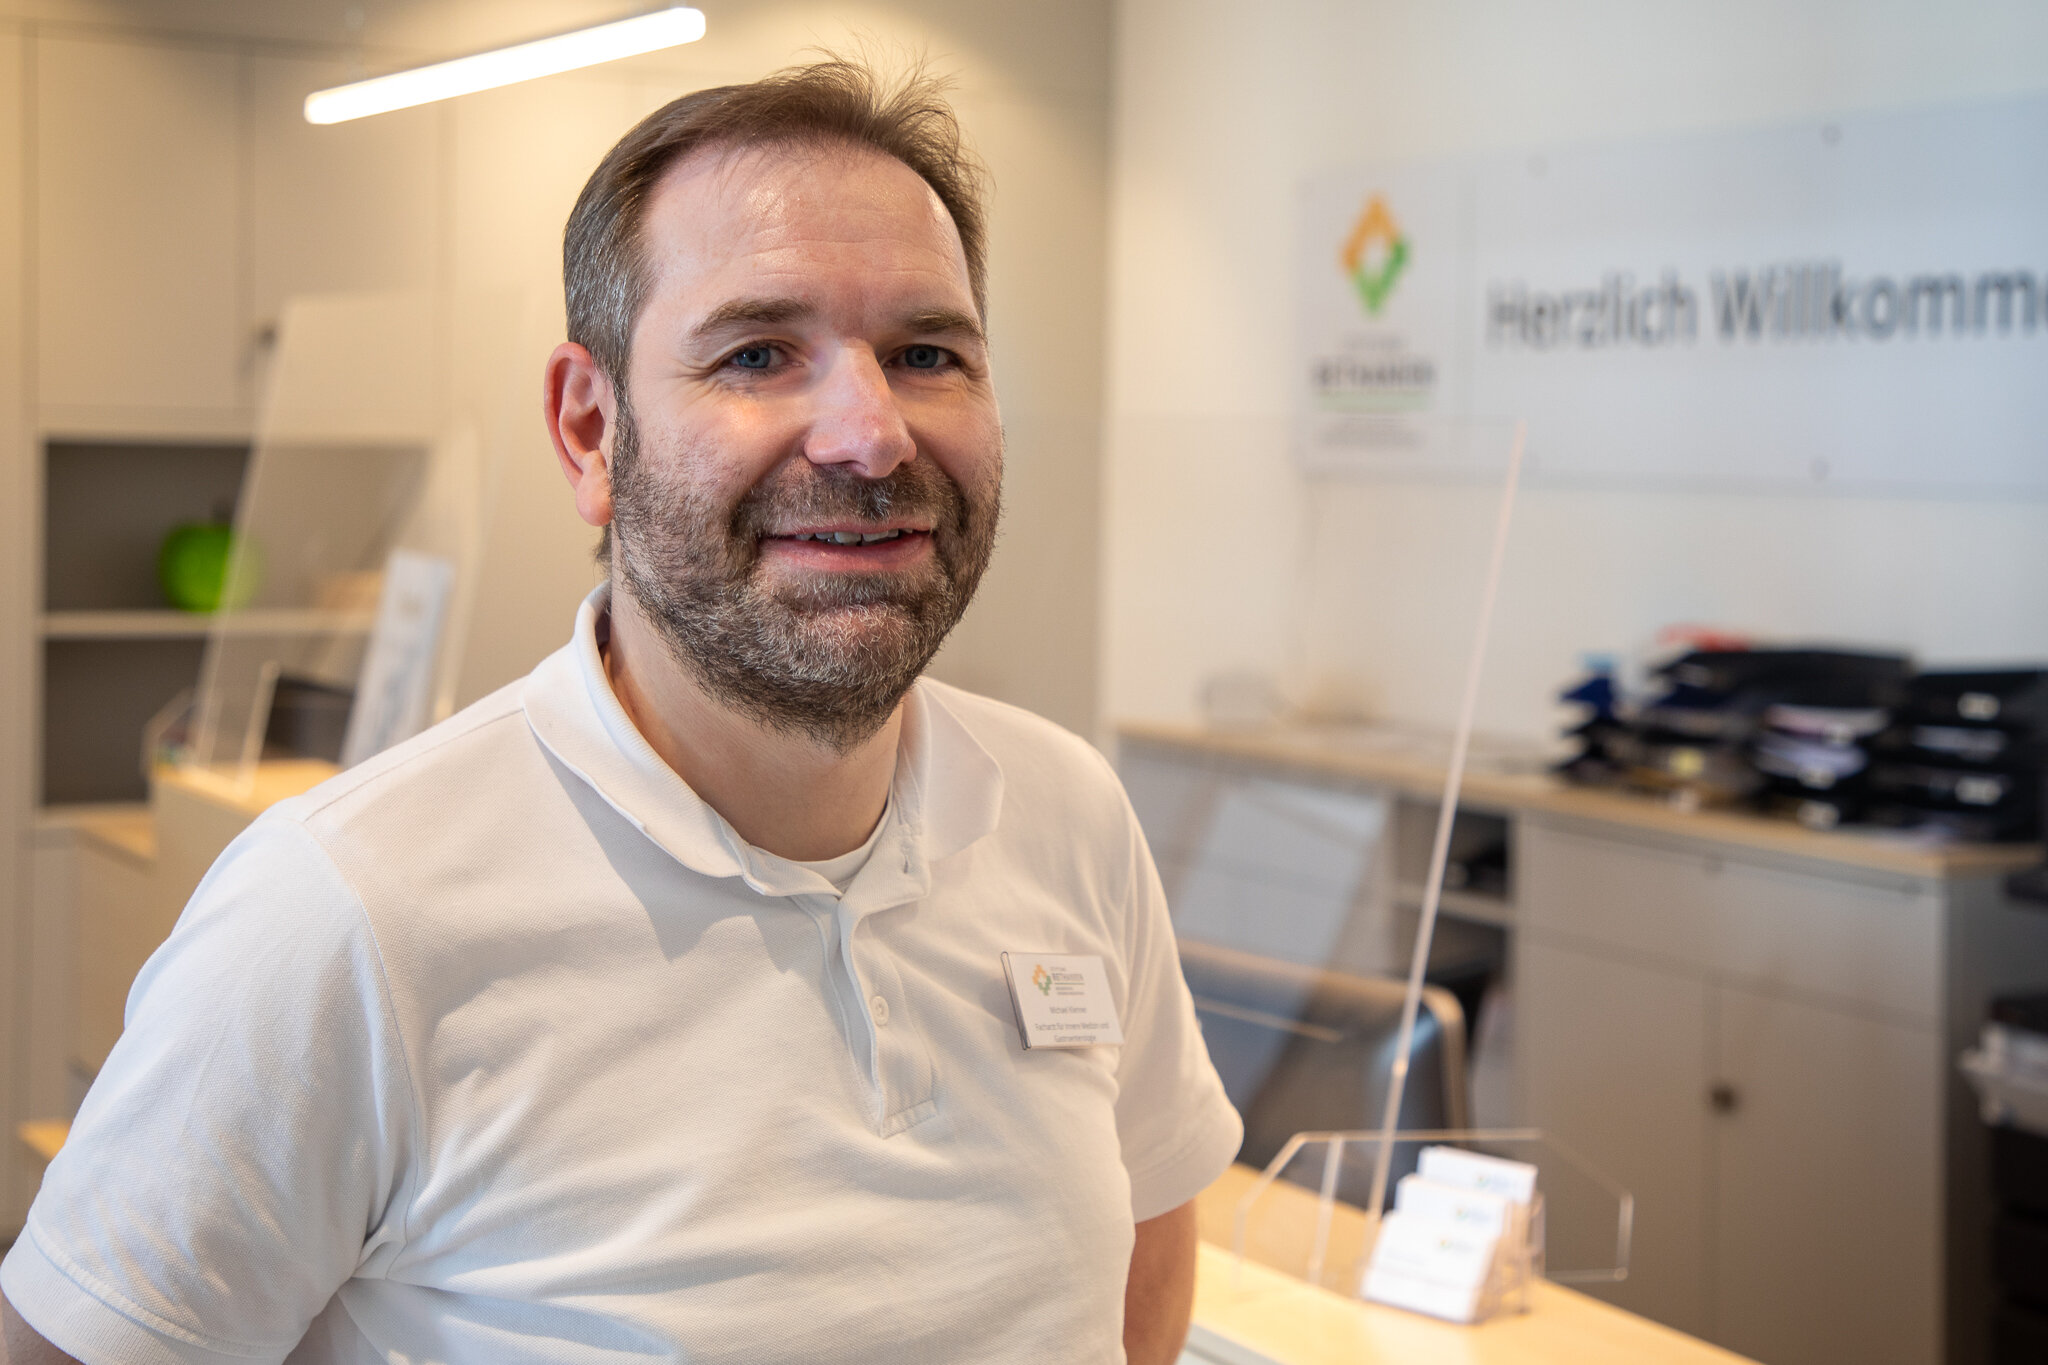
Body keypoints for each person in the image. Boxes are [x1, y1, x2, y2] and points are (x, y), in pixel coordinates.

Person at [0, 59, 1241, 1365]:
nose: (871, 435)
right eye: (757, 354)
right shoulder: (343, 913)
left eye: (927, 355)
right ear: (591, 430)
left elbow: (1143, 1242)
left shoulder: (1068, 816)